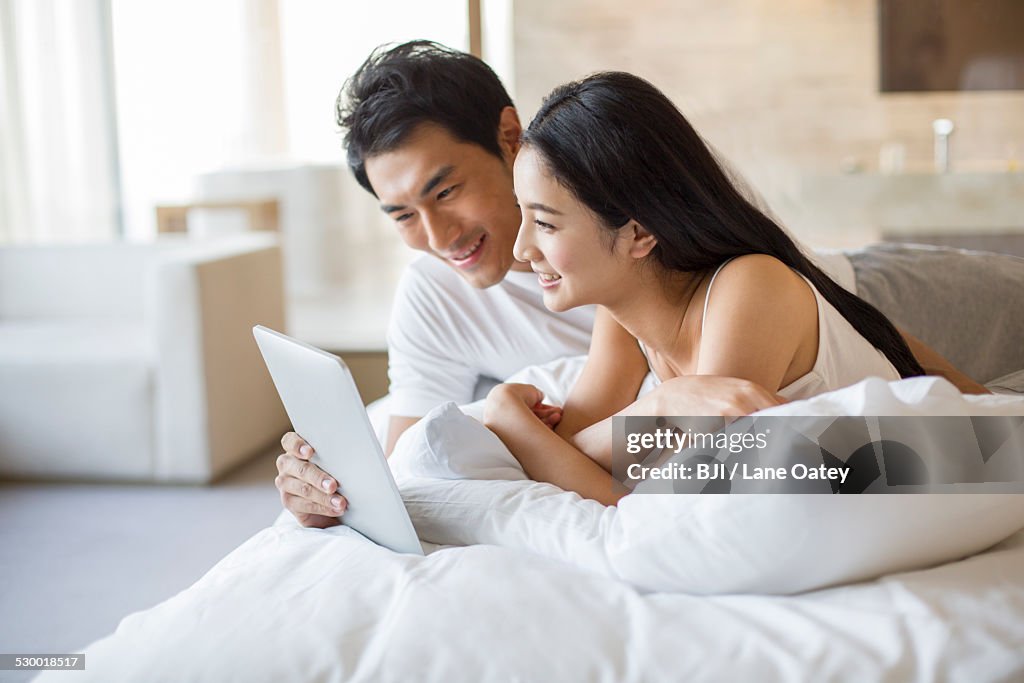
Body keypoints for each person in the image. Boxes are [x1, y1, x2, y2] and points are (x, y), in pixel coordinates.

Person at [275, 43, 987, 528]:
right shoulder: (616, 304)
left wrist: (526, 426)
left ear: (508, 137)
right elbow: (587, 447)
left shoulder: (740, 280)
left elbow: (656, 485)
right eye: (401, 214)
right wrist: (336, 488)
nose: (435, 236)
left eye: (447, 190)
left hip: (875, 281)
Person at [480, 71, 960, 505]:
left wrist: (544, 434)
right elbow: (569, 458)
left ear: (639, 233)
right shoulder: (624, 318)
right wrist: (511, 414)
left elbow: (672, 497)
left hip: (948, 470)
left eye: (544, 223)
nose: (522, 249)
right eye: (523, 214)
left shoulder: (751, 286)